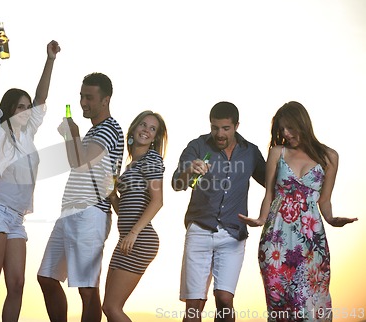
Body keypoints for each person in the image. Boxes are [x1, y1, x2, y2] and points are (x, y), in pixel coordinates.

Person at [0, 37, 60, 322]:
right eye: (20, 107)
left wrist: (50, 60)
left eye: (26, 107)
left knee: (17, 285)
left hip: (16, 218)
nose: (26, 110)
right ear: (10, 110)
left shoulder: (28, 135)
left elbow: (41, 99)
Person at [238, 101, 357, 321]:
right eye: (281, 129)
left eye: (290, 127)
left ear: (303, 124)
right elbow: (270, 194)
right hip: (276, 239)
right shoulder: (277, 152)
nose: (285, 133)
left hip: (311, 240)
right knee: (279, 301)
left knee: (310, 301)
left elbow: (325, 200)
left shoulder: (330, 157)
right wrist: (260, 219)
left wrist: (332, 219)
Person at [37, 72, 124, 322]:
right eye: (81, 96)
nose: (83, 102)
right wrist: (73, 136)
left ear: (105, 100)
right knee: (47, 276)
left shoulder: (109, 129)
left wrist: (70, 134)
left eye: (89, 97)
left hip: (90, 214)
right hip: (71, 213)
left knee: (87, 288)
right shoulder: (95, 131)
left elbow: (79, 162)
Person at [171, 101, 266, 322]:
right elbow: (177, 184)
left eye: (225, 128)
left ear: (236, 126)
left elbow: (272, 183)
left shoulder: (250, 152)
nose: (219, 133)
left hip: (233, 234)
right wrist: (189, 170)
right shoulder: (197, 146)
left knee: (224, 300)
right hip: (200, 230)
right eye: (215, 128)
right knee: (194, 306)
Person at [102, 110, 167, 321]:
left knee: (113, 308)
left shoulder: (152, 159)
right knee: (108, 307)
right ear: (134, 128)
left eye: (152, 128)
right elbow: (126, 211)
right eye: (143, 125)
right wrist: (113, 197)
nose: (146, 130)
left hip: (140, 240)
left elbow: (158, 201)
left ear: (156, 137)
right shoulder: (130, 165)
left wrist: (133, 233)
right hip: (127, 239)